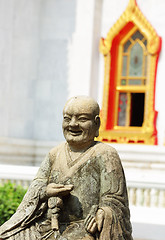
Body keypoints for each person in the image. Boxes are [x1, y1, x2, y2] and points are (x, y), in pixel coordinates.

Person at [0, 96, 133, 240]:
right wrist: (45, 191)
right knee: (7, 235)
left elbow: (114, 199)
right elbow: (37, 186)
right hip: (48, 226)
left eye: (82, 119)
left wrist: (103, 213)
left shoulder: (105, 153)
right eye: (67, 119)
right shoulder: (54, 153)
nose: (73, 124)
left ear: (96, 123)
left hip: (82, 228)